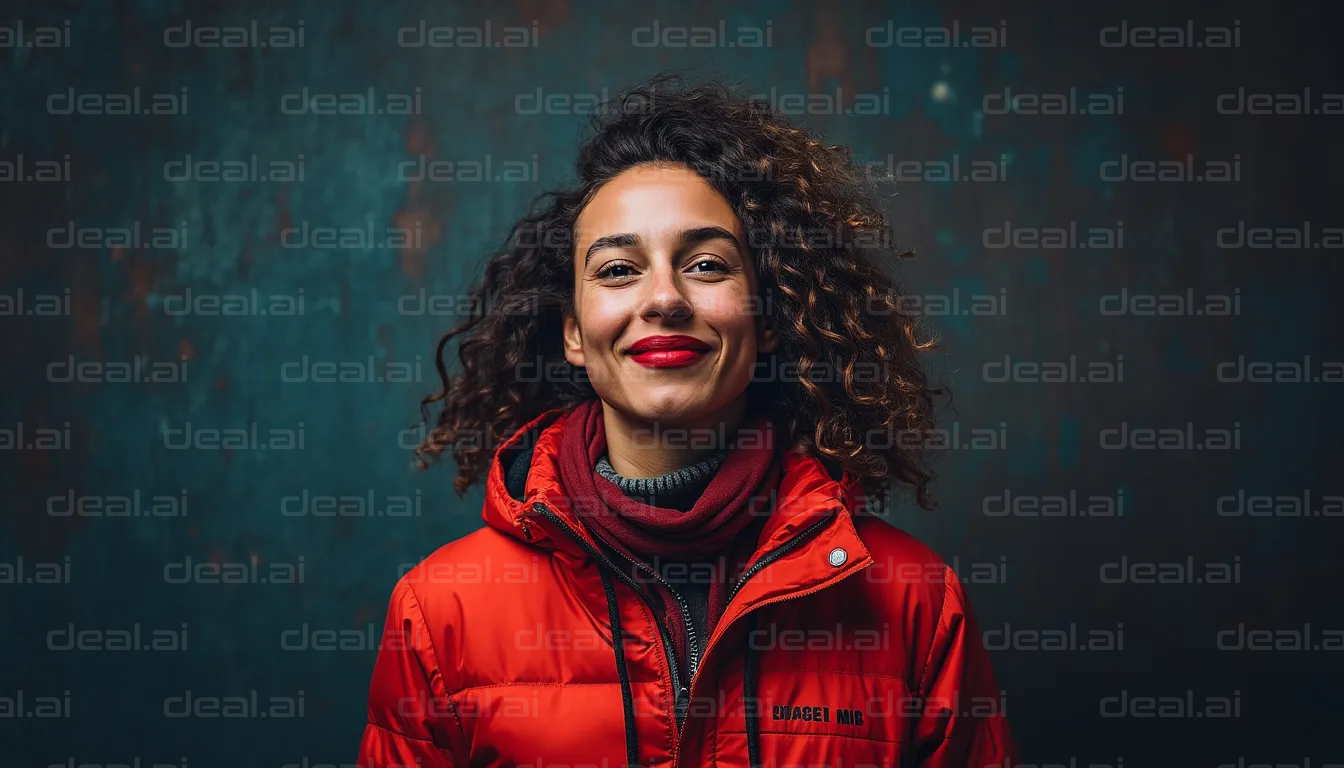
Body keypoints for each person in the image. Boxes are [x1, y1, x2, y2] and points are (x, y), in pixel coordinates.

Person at [358, 74, 1017, 767]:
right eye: (618, 269)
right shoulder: (441, 613)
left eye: (705, 264)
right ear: (575, 334)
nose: (665, 298)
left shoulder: (910, 599)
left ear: (767, 319)